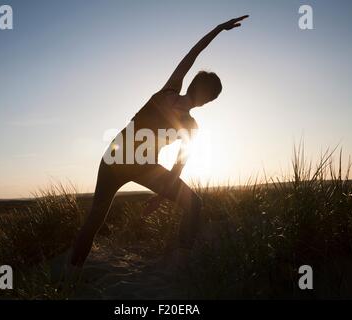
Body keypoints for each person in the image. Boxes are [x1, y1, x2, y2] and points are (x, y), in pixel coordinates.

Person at [70, 15, 249, 267]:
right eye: (209, 95)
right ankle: (73, 270)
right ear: (199, 88)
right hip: (117, 157)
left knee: (193, 202)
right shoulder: (169, 90)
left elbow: (177, 169)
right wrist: (218, 29)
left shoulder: (191, 126)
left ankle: (182, 257)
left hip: (140, 165)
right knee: (96, 218)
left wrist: (161, 197)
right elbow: (193, 54)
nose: (206, 101)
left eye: (211, 99)